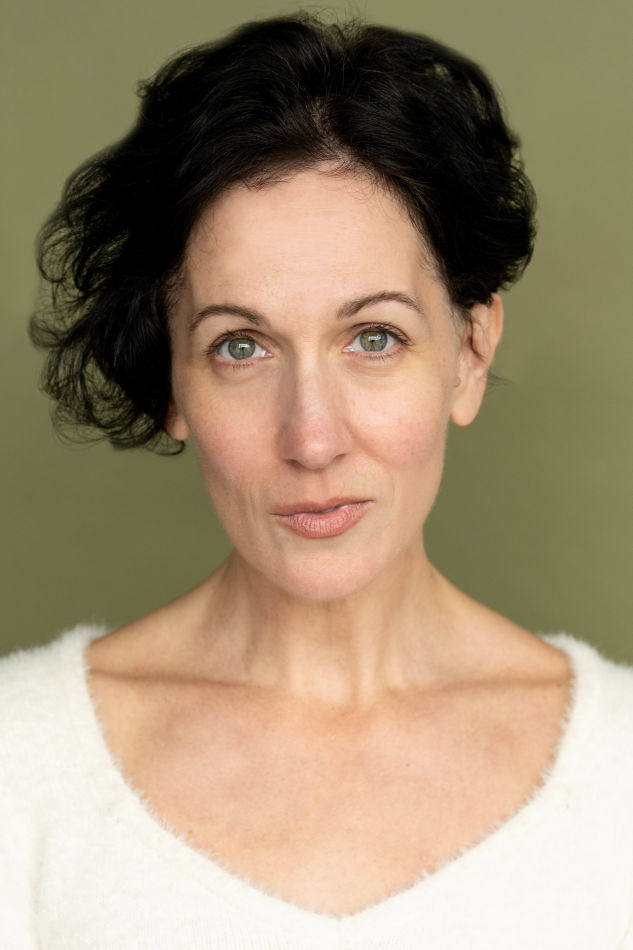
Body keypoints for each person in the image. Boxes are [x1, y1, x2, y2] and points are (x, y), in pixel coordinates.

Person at [2, 10, 633, 948]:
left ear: (468, 353)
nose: (310, 437)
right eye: (240, 347)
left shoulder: (620, 773)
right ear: (169, 380)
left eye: (373, 337)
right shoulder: (18, 764)